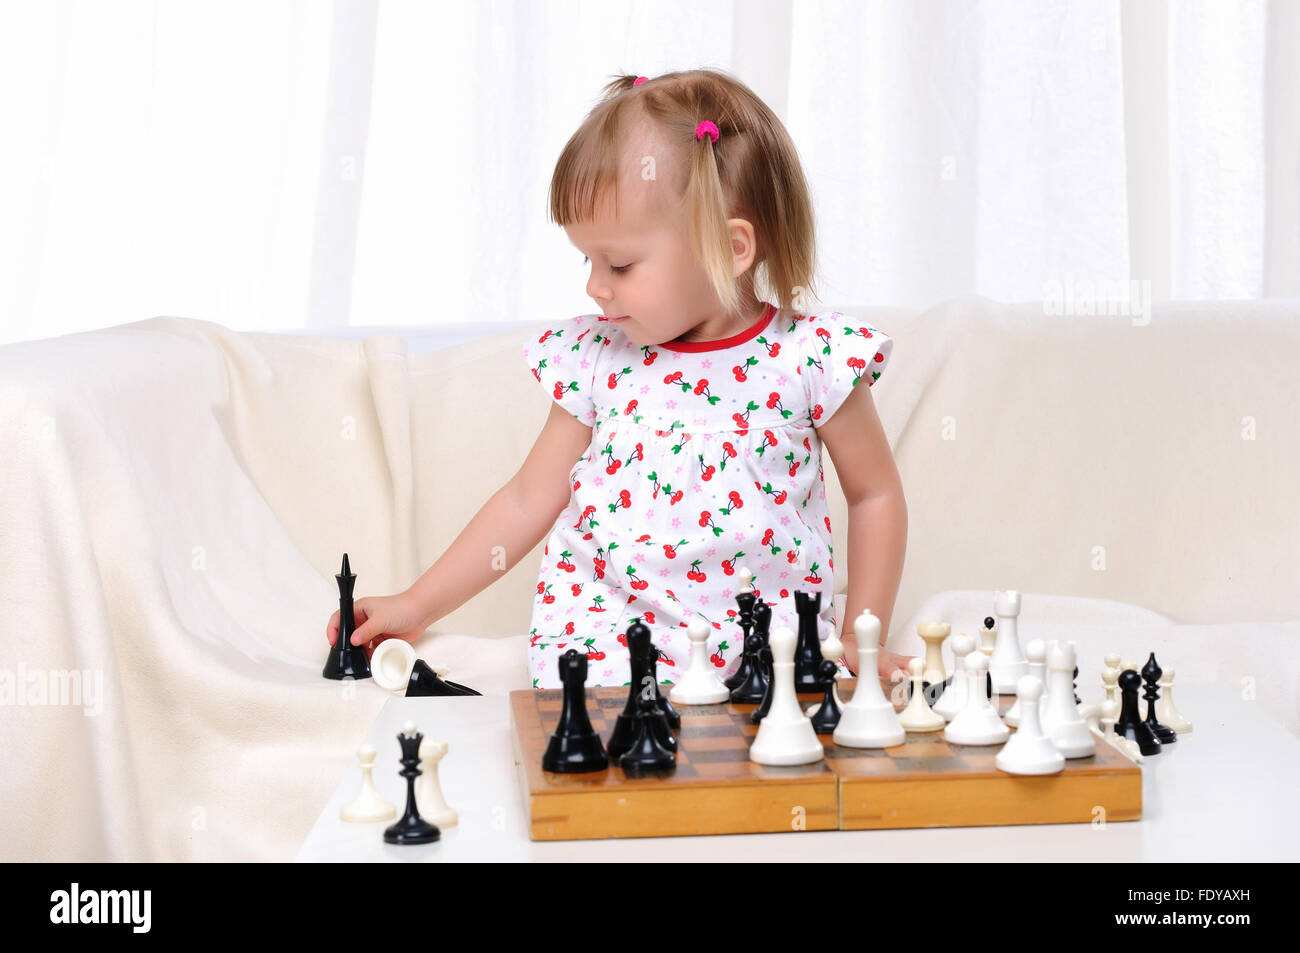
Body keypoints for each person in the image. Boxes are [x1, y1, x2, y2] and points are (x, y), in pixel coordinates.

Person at [327, 68, 911, 689]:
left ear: (734, 247)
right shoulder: (598, 357)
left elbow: (875, 495)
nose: (594, 285)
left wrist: (860, 635)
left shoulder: (812, 358)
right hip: (608, 644)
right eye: (588, 258)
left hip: (768, 648)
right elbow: (528, 499)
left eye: (621, 263)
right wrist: (417, 604)